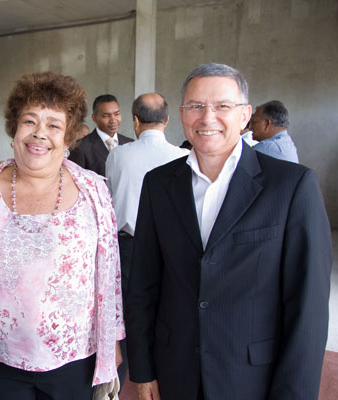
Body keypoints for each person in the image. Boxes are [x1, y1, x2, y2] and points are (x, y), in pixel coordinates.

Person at [125, 63, 332, 400]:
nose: (207, 118)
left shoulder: (292, 185)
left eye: (222, 106)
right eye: (196, 106)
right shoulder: (159, 184)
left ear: (245, 115)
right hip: (175, 370)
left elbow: (307, 308)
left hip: (252, 376)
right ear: (181, 114)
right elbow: (144, 284)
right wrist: (143, 370)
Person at [0, 71, 124, 400]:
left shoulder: (94, 192)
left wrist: (111, 340)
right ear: (14, 128)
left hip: (75, 358)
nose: (39, 134)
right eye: (29, 122)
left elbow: (110, 273)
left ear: (68, 135)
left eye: (53, 125)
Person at [105, 92, 188, 389]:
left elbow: (110, 196)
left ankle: (125, 374)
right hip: (172, 247)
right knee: (168, 306)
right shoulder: (183, 157)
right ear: (167, 120)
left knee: (130, 309)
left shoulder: (118, 154)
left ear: (135, 121)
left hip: (127, 245)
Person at [68, 94, 133, 176]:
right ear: (94, 118)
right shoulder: (80, 147)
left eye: (117, 114)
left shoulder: (130, 144)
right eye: (106, 116)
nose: (113, 120)